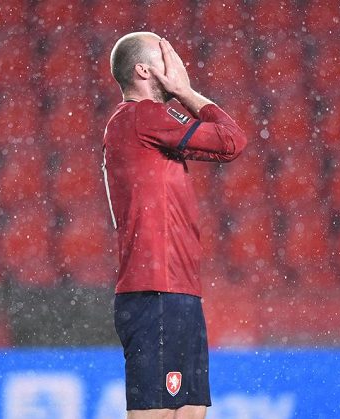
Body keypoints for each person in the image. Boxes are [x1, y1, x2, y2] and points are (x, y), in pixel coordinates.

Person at [102, 32, 248, 419]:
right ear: (144, 70)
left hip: (176, 289)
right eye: (169, 59)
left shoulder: (144, 127)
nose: (178, 67)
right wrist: (185, 91)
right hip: (155, 290)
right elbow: (233, 140)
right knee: (158, 414)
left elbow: (227, 146)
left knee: (190, 411)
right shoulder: (141, 116)